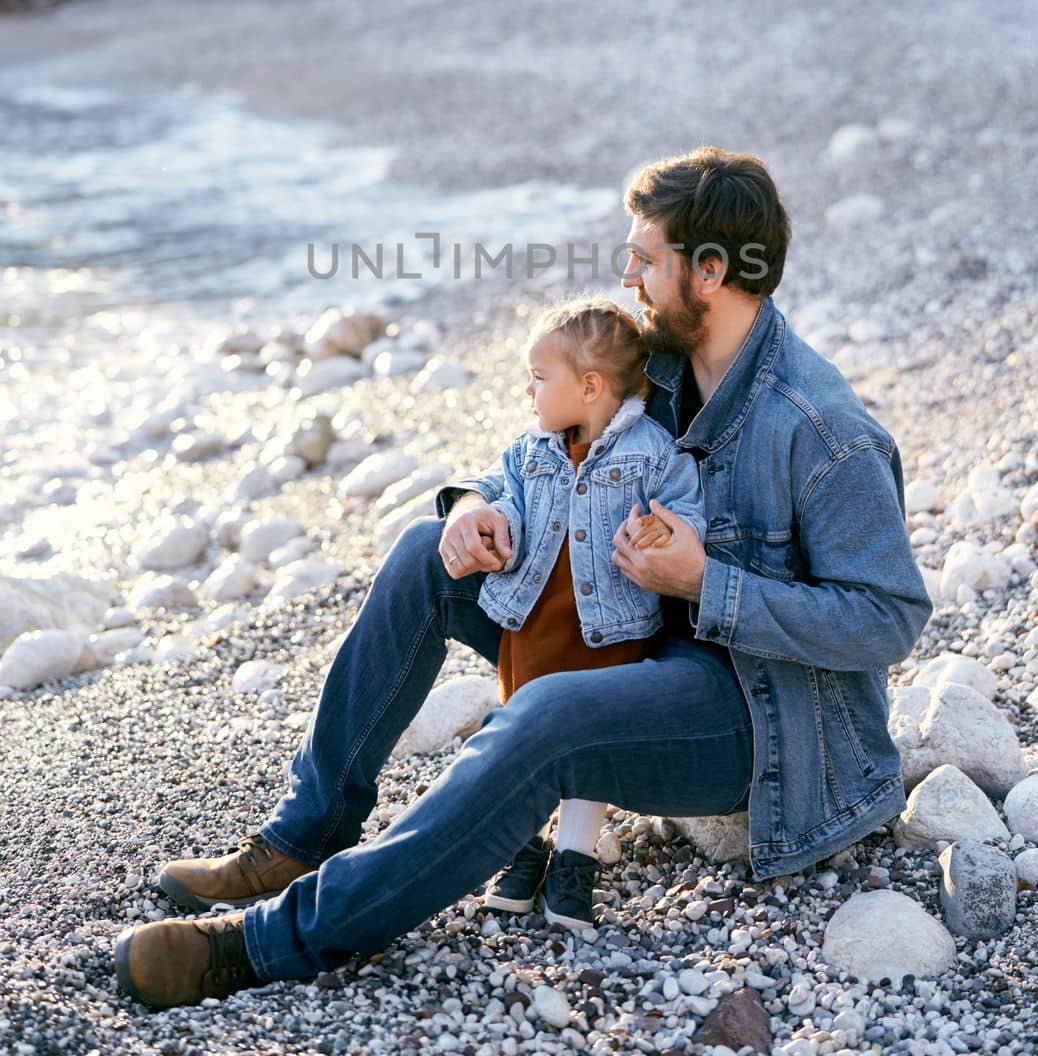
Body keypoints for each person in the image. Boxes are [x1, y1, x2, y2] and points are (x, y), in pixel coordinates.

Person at [115, 145, 934, 1009]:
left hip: (755, 715)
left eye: (644, 259)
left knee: (546, 717)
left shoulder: (821, 427)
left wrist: (705, 583)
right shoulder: (648, 364)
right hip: (627, 630)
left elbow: (888, 618)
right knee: (420, 553)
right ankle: (303, 834)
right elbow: (536, 456)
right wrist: (476, 506)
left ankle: (274, 942)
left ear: (711, 271)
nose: (627, 276)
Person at [471, 294, 706, 935]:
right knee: (521, 725)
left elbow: (686, 507)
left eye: (540, 378)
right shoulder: (531, 447)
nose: (528, 390)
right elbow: (498, 492)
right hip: (534, 620)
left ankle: (574, 864)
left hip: (609, 626)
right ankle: (523, 848)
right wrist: (484, 515)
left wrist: (671, 532)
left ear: (591, 385)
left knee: (586, 747)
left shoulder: (652, 450)